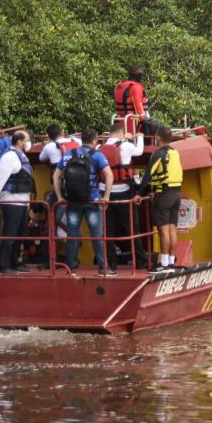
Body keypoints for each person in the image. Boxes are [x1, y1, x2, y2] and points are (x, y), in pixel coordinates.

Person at [54, 126, 114, 275]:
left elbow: (56, 176)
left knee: (72, 235)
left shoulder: (69, 154)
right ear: (95, 140)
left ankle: (71, 266)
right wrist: (106, 197)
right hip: (92, 201)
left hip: (72, 201)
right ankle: (103, 267)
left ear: (82, 139)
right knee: (97, 235)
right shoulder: (97, 155)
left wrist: (60, 197)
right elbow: (109, 175)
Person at [0, 129, 36, 274]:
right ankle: (4, 264)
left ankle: (15, 262)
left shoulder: (22, 156)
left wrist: (28, 203)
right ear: (19, 141)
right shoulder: (10, 156)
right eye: (26, 140)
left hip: (22, 202)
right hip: (11, 201)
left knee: (20, 234)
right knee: (10, 233)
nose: (29, 143)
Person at [99, 120, 147, 269]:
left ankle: (111, 264)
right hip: (124, 192)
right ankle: (140, 260)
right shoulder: (125, 145)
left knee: (108, 230)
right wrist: (140, 137)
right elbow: (139, 151)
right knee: (132, 227)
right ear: (121, 133)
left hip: (104, 192)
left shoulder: (99, 147)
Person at [140, 125, 183, 272]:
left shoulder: (158, 154)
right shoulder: (175, 153)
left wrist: (139, 193)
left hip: (164, 196)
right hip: (176, 194)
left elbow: (147, 175)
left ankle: (164, 264)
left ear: (158, 138)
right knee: (172, 230)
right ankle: (171, 262)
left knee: (163, 231)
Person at [114, 63, 151, 136]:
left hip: (120, 120)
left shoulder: (119, 86)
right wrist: (145, 122)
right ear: (138, 76)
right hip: (133, 122)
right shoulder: (136, 87)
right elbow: (139, 108)